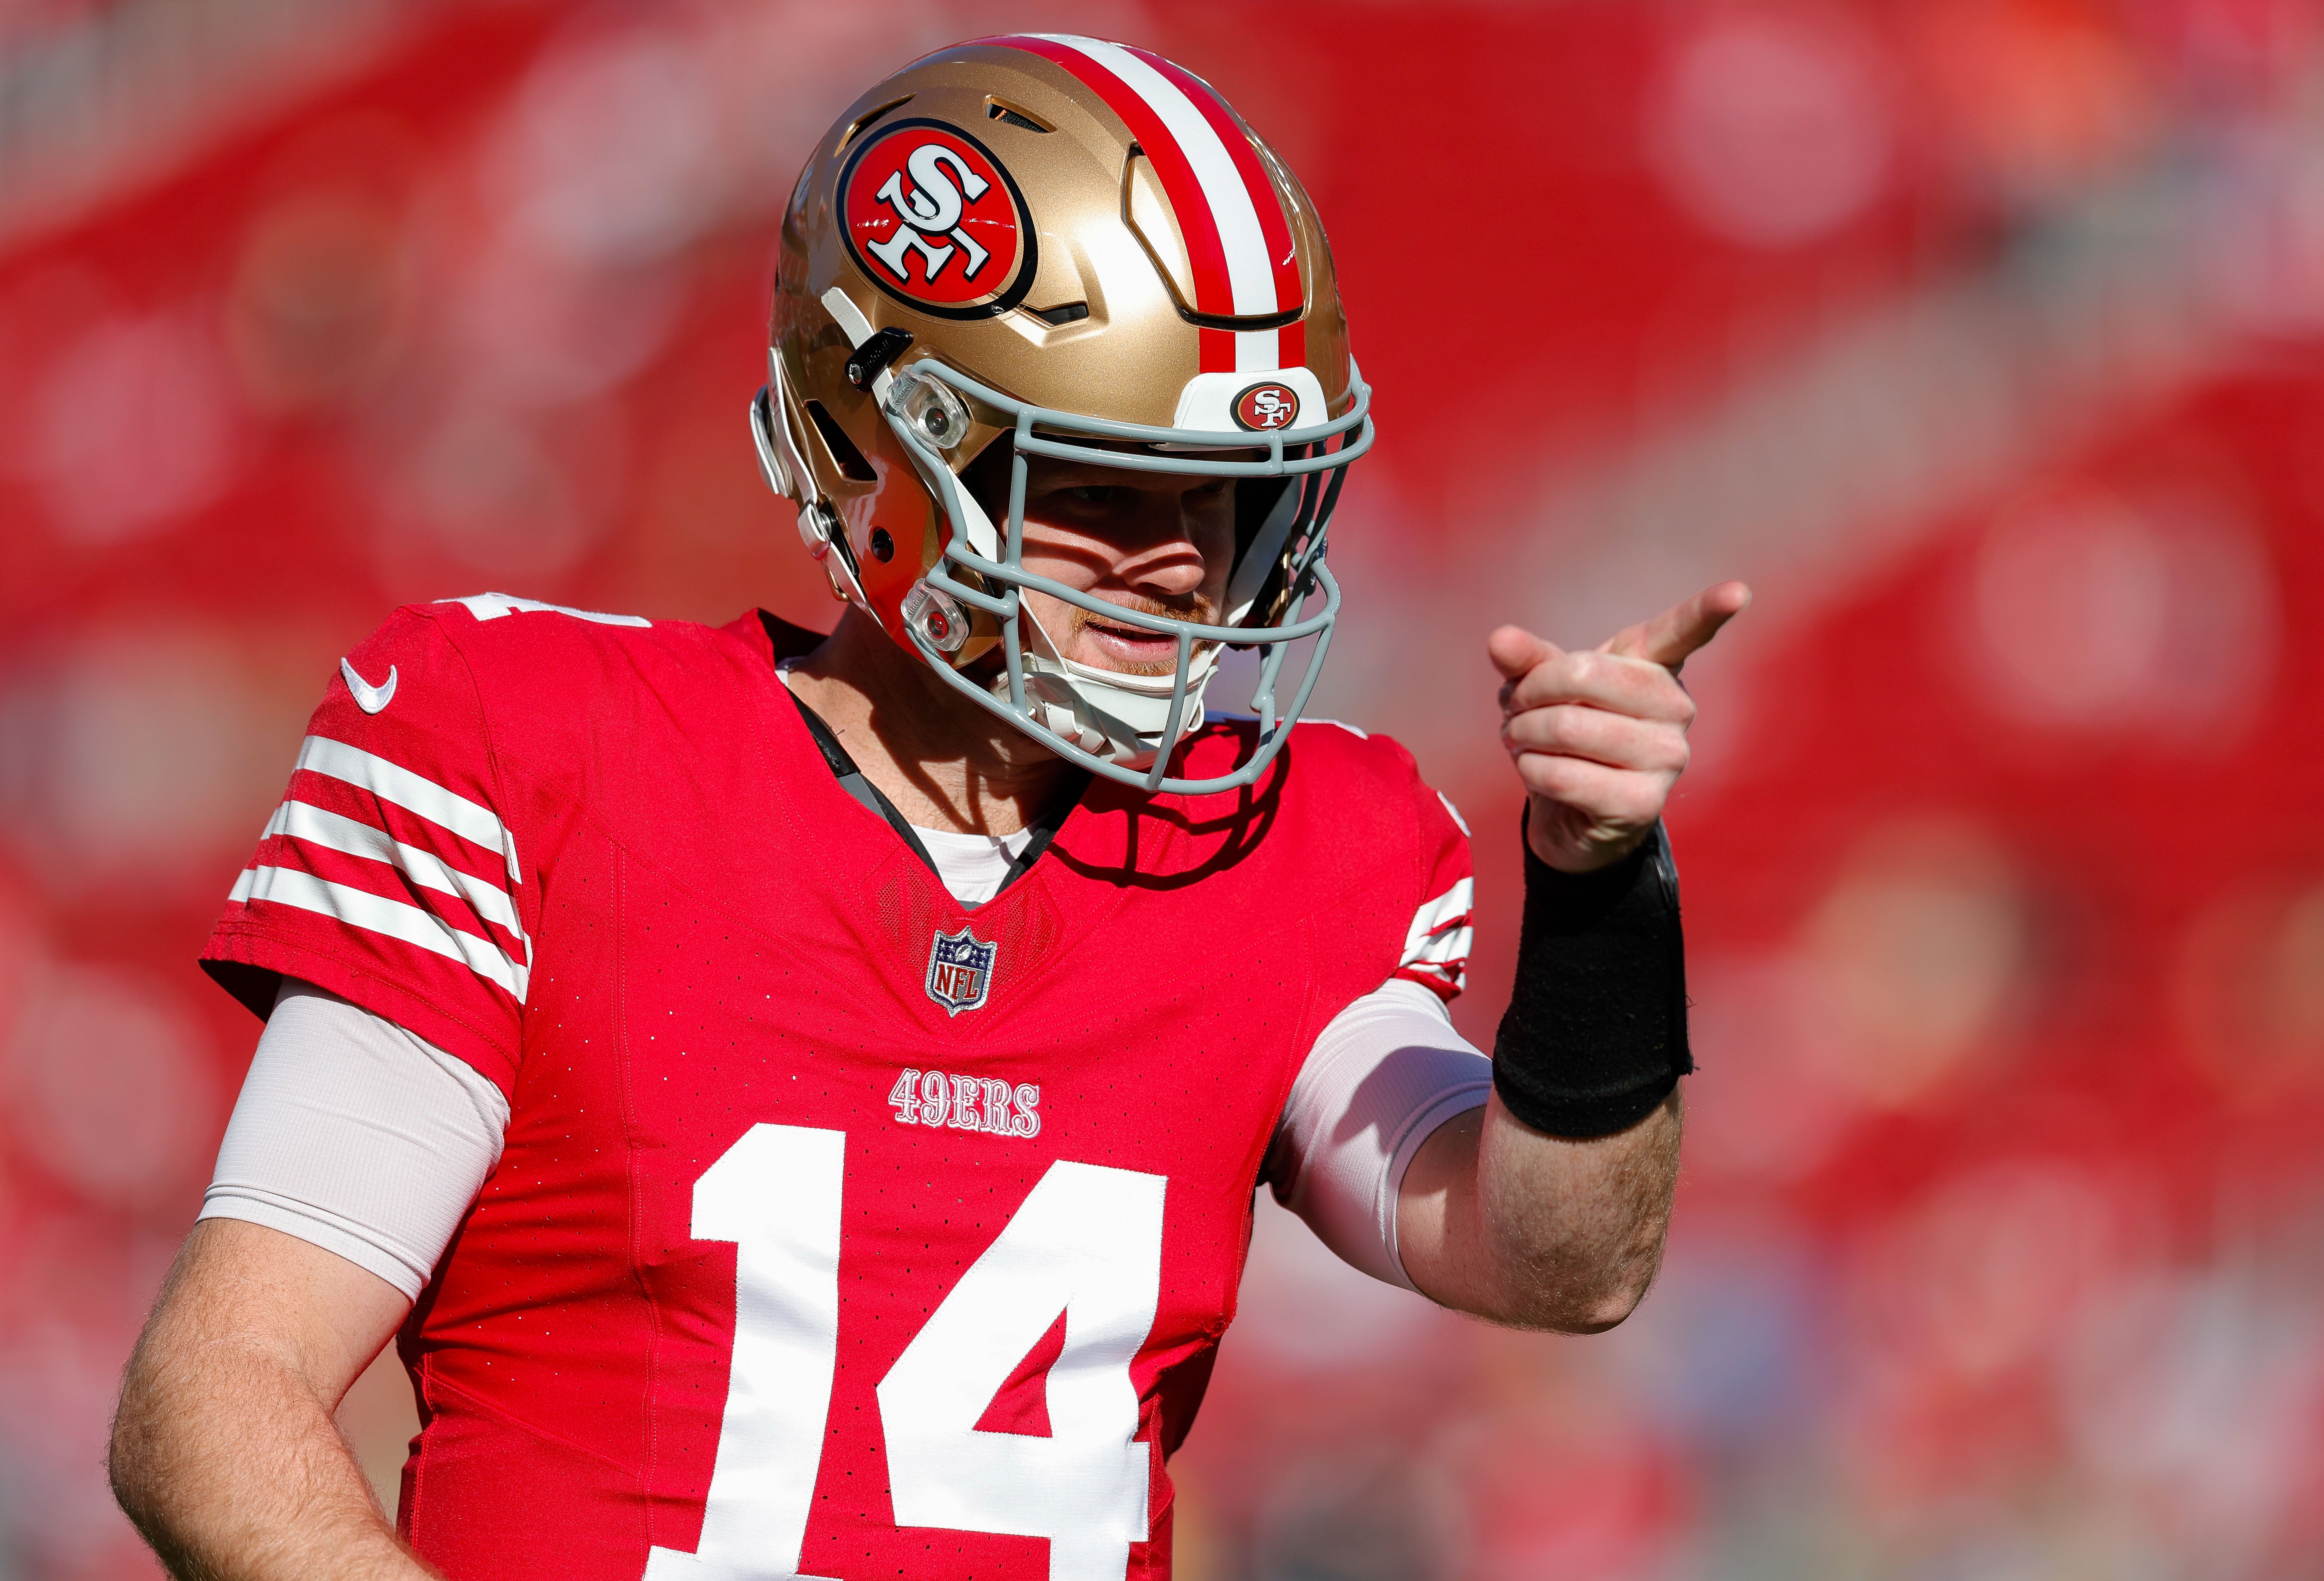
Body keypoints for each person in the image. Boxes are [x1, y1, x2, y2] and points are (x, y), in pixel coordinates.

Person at [108, 33, 1746, 1581]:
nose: (1179, 563)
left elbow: (1559, 1256)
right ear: (873, 444)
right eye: (1094, 489)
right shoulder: (540, 751)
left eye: (1229, 503)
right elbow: (218, 1396)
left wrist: (1601, 887)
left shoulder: (1289, 843)